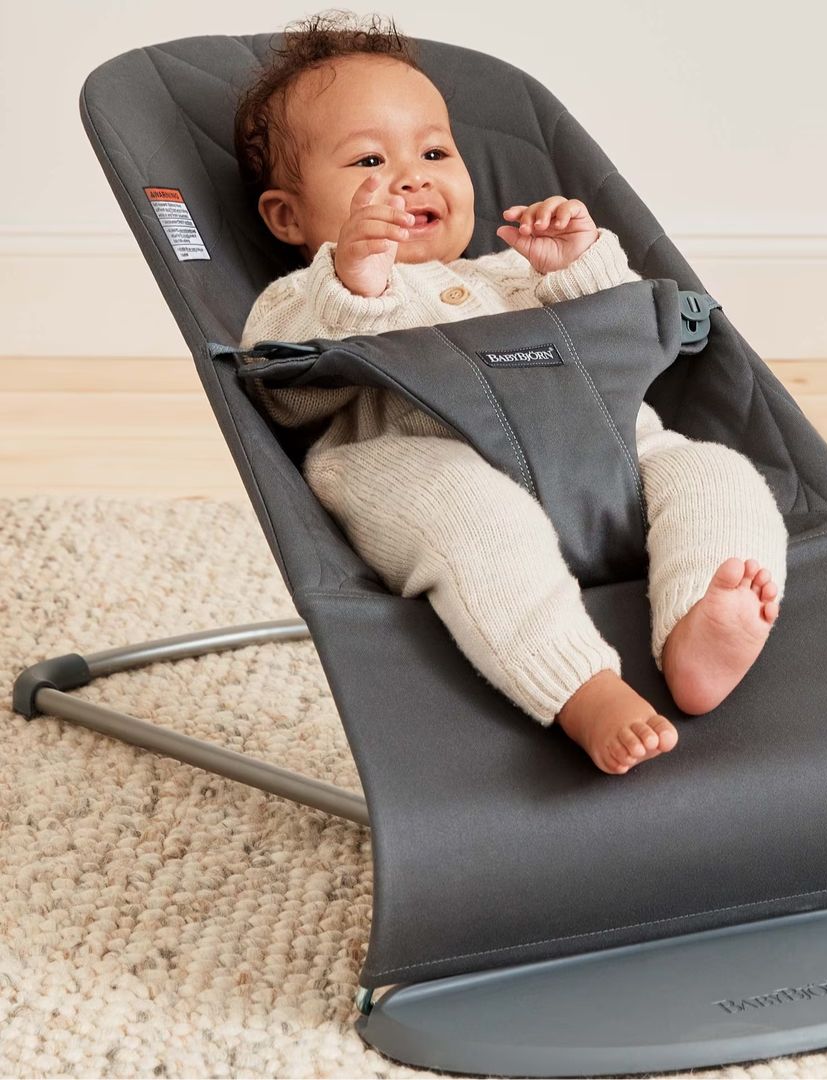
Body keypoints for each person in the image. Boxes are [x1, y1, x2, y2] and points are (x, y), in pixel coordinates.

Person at [233, 12, 788, 775]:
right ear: (287, 215)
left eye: (433, 150)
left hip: (604, 455)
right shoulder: (304, 294)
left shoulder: (511, 270)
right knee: (477, 525)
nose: (410, 176)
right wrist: (355, 284)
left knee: (714, 471)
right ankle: (582, 689)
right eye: (367, 160)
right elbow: (282, 392)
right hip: (423, 466)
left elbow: (623, 340)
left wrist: (577, 268)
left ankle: (703, 620)